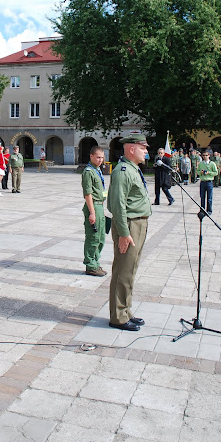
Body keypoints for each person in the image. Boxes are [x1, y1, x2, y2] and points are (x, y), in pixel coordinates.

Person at [107, 133, 151, 331]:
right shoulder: (123, 171)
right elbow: (117, 205)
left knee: (130, 269)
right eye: (143, 148)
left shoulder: (133, 169)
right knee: (123, 271)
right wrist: (124, 234)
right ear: (131, 149)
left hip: (138, 224)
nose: (146, 151)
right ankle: (118, 316)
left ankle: (125, 310)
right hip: (129, 225)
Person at [81, 146, 107, 276]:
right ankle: (90, 265)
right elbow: (88, 194)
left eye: (102, 157)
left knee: (101, 237)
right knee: (93, 237)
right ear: (91, 156)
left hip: (99, 205)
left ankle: (95, 262)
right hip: (93, 206)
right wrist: (92, 212)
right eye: (98, 157)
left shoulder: (97, 170)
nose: (100, 160)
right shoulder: (88, 172)